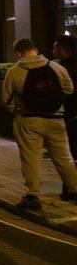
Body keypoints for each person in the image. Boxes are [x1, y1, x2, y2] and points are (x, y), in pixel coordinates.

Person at [2, 38, 77, 210]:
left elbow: (6, 98)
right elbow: (69, 89)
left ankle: (33, 195)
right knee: (64, 157)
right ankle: (74, 190)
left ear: (17, 53)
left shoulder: (14, 71)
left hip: (29, 120)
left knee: (31, 159)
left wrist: (17, 109)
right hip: (56, 119)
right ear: (36, 49)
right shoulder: (57, 67)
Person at [52, 34, 77, 168]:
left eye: (55, 47)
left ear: (62, 49)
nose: (53, 50)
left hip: (67, 114)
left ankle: (70, 186)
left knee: (68, 155)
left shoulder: (61, 69)